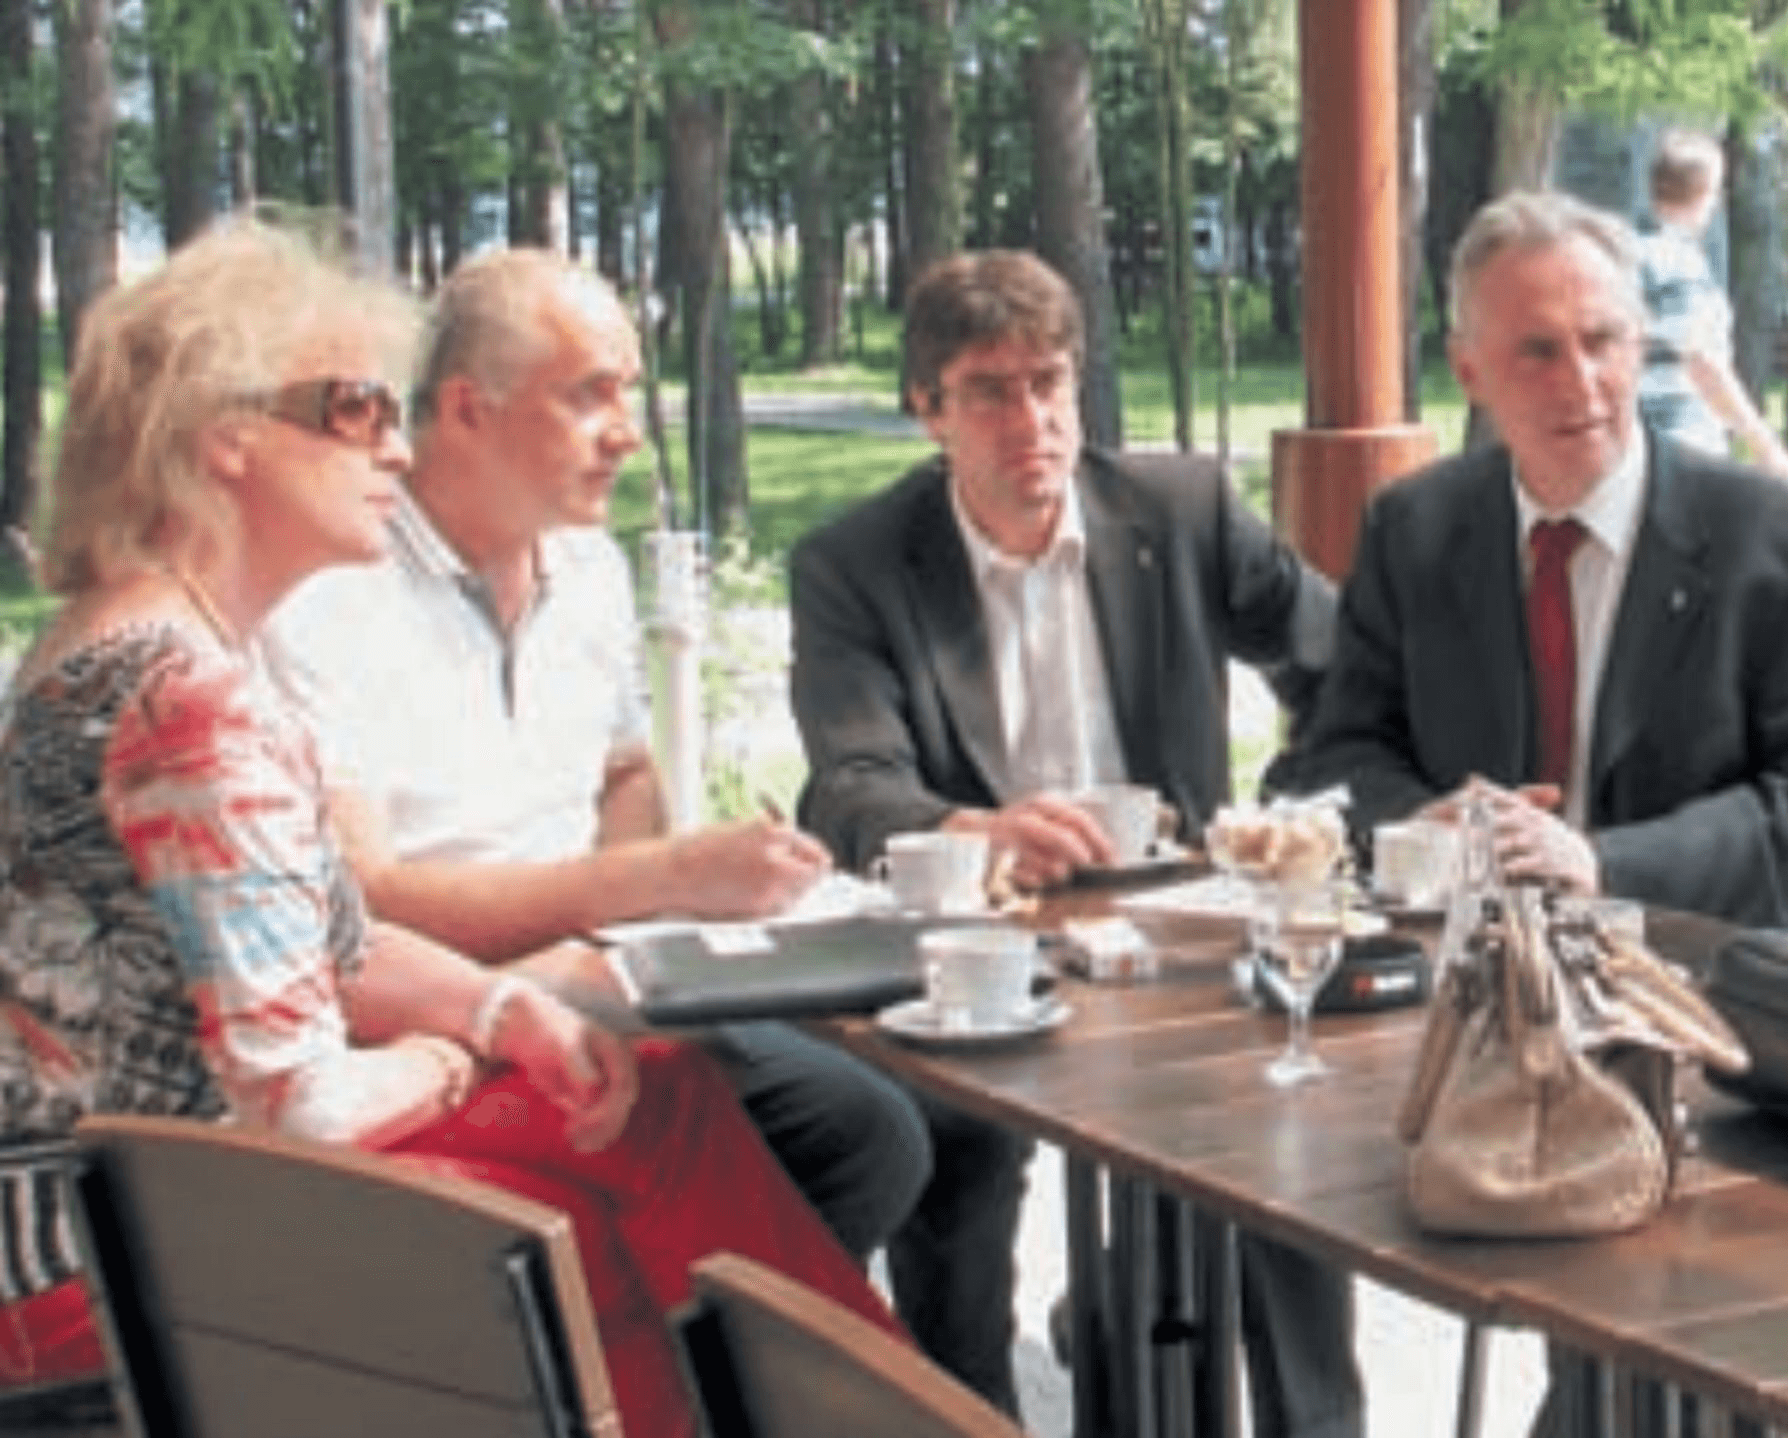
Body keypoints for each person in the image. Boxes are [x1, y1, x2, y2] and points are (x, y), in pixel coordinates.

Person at [0, 218, 895, 1438]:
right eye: (357, 409)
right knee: (629, 1165)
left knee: (652, 1118)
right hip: (100, 1260)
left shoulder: (114, 642)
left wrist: (498, 1006)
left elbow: (313, 937)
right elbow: (302, 1103)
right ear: (227, 439)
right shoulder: (192, 701)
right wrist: (467, 1053)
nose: (399, 443)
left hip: (131, 1204)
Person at [259, 248, 931, 1265]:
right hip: (429, 1016)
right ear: (467, 410)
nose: (627, 430)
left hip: (598, 983)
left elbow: (623, 772)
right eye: (590, 396)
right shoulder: (332, 588)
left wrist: (652, 924)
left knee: (875, 1129)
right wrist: (655, 879)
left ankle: (701, 1372)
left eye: (629, 390)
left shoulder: (591, 567)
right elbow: (370, 898)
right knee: (836, 1134)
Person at [789, 249, 1347, 1433]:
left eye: (1051, 381)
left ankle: (1250, 1401)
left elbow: (1343, 660)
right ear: (926, 410)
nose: (1032, 419)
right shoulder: (858, 566)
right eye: (988, 390)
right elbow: (848, 787)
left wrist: (1294, 805)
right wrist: (972, 828)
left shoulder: (1180, 512)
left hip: (1181, 935)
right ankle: (970, 1408)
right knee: (957, 1165)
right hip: (981, 947)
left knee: (1285, 1152)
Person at [1267, 188, 1788, 931]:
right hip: (1469, 970)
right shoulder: (1415, 530)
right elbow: (1342, 746)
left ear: (1639, 344)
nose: (1581, 381)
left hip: (1704, 977)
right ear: (1469, 371)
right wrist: (1419, 825)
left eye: (1602, 340)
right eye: (1538, 351)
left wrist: (1605, 864)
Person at [1634, 127, 1788, 481]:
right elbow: (1703, 363)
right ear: (1705, 191)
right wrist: (1765, 445)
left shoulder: (1628, 252)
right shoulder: (1677, 264)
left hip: (1635, 445)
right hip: (1683, 445)